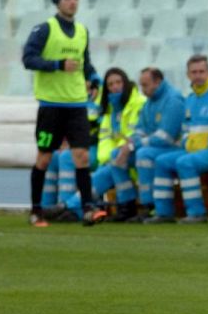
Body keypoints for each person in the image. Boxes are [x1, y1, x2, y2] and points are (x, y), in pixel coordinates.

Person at [22, 0, 102, 227]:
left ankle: (89, 208)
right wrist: (57, 65)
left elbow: (84, 62)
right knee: (44, 158)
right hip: (51, 105)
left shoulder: (82, 31)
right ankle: (36, 211)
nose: (73, 2)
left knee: (81, 155)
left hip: (77, 104)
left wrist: (94, 78)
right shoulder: (45, 29)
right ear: (58, 2)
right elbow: (28, 59)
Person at [146, 55, 208, 224]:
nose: (198, 75)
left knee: (185, 163)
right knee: (161, 161)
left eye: (201, 71)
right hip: (193, 152)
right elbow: (185, 130)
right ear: (188, 75)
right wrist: (186, 143)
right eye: (194, 72)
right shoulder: (190, 99)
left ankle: (197, 213)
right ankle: (164, 213)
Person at [44, 67, 145, 223]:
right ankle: (51, 207)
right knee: (56, 157)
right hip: (112, 156)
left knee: (73, 160)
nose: (114, 87)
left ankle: (68, 207)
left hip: (130, 155)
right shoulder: (110, 107)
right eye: (111, 84)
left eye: (118, 82)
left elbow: (134, 135)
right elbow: (105, 137)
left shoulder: (135, 103)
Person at [125, 67, 186, 221]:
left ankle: (149, 206)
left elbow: (166, 137)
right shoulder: (149, 103)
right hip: (154, 147)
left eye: (145, 85)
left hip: (172, 148)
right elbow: (140, 129)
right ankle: (125, 207)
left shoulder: (173, 100)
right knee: (116, 156)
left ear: (157, 82)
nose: (142, 90)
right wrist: (130, 143)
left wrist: (134, 145)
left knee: (144, 155)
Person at [41, 79, 101, 208]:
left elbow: (99, 131)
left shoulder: (99, 103)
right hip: (80, 146)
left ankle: (66, 206)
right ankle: (46, 207)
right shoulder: (73, 102)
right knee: (51, 156)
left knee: (67, 157)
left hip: (96, 149)